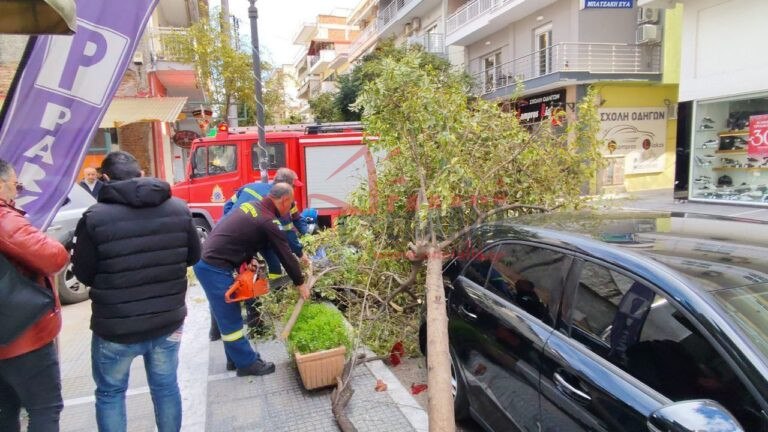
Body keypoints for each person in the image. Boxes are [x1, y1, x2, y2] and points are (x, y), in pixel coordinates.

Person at [72, 151, 200, 432]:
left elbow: (83, 273)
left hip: (116, 327)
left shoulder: (94, 218)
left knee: (110, 393)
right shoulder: (178, 208)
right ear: (140, 174)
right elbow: (193, 256)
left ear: (105, 179)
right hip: (167, 320)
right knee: (166, 387)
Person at [194, 183, 310, 376]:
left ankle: (234, 359)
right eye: (290, 205)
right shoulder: (267, 221)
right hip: (213, 267)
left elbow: (240, 236)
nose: (289, 210)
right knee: (231, 318)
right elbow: (285, 255)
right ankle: (247, 364)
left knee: (226, 316)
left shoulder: (254, 206)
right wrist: (300, 283)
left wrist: (249, 258)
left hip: (211, 261)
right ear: (284, 200)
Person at [0, 159, 69, 432]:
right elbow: (54, 258)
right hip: (22, 336)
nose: (16, 192)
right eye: (15, 185)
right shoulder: (4, 218)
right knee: (44, 409)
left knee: (5, 412)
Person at [208, 168, 308, 341]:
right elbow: (287, 240)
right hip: (245, 241)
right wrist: (300, 256)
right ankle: (259, 321)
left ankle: (216, 331)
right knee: (252, 276)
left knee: (230, 284)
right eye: (294, 186)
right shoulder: (280, 205)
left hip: (231, 238)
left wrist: (230, 224)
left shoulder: (249, 187)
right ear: (287, 187)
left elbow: (228, 205)